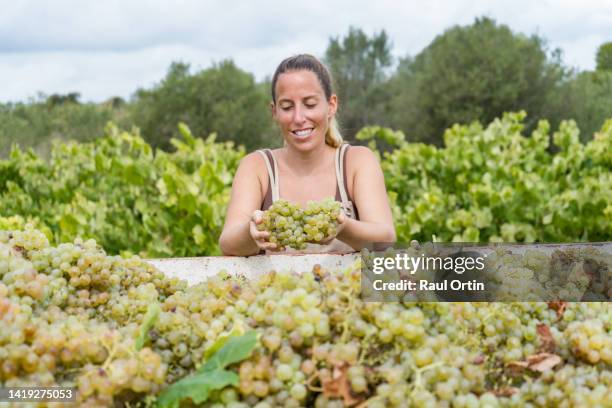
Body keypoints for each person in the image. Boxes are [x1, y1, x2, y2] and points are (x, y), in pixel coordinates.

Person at [219, 54, 395, 256]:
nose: (299, 118)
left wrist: (343, 227)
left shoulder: (357, 161)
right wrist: (251, 233)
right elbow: (228, 243)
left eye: (310, 104)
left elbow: (385, 239)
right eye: (287, 107)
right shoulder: (256, 166)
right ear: (274, 111)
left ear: (331, 105)